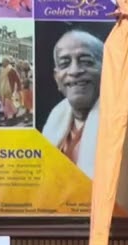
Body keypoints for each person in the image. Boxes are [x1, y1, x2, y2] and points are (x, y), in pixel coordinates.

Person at [40, 29, 103, 177]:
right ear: (57, 78)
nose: (74, 71)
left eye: (86, 61)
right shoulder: (54, 123)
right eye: (65, 63)